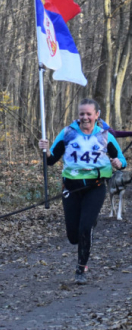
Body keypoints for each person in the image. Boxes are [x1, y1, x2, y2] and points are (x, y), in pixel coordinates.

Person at [38, 98, 127, 284]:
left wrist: (119, 163)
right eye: (81, 114)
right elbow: (51, 160)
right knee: (73, 235)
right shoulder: (68, 133)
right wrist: (45, 150)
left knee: (85, 228)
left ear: (97, 115)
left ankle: (81, 269)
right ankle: (86, 229)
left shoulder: (105, 135)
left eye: (88, 114)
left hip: (95, 187)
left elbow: (121, 159)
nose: (85, 117)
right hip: (71, 187)